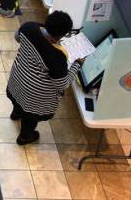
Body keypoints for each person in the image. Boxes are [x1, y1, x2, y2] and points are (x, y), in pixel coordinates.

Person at [6, 12, 82, 145]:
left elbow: (17, 37)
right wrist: (77, 65)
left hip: (17, 80)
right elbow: (62, 84)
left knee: (18, 101)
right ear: (62, 35)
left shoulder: (29, 27)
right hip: (34, 96)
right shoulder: (57, 57)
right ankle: (25, 137)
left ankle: (16, 113)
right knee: (30, 117)